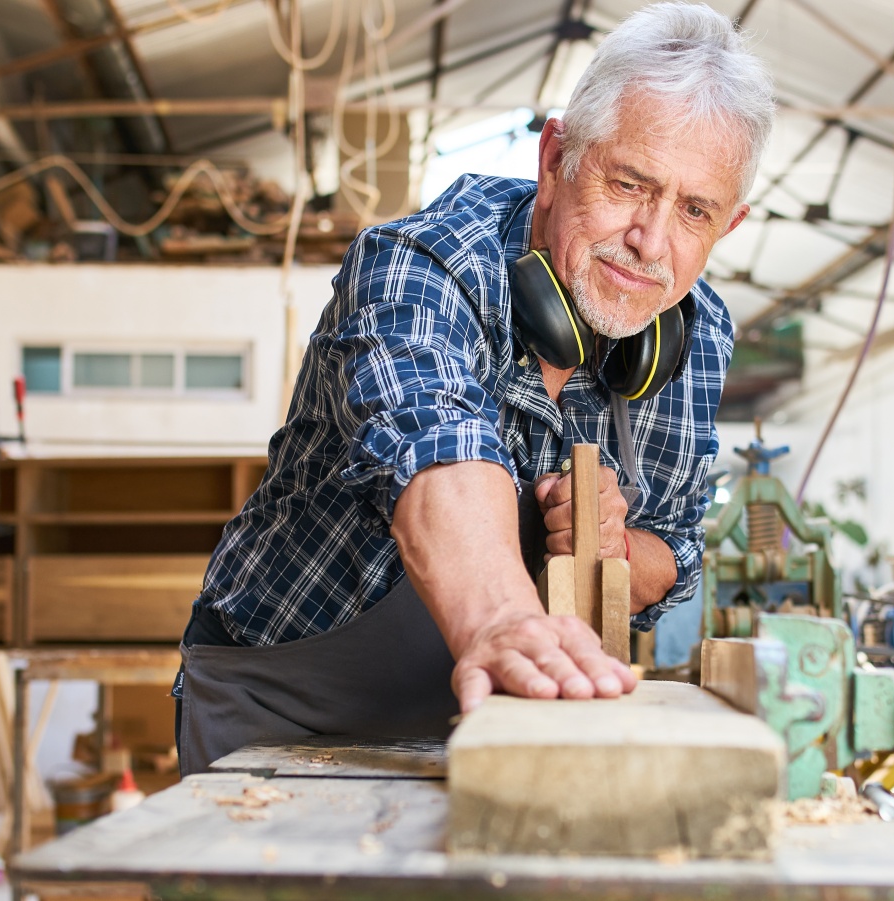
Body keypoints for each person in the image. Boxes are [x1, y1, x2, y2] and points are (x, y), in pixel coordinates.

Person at [175, 1, 774, 775]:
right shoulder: (419, 267)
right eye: (629, 183)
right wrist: (501, 619)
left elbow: (678, 545)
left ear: (728, 226)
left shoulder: (696, 335)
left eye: (695, 210)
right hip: (281, 711)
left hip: (498, 715)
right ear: (555, 159)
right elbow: (437, 456)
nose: (651, 242)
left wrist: (613, 549)